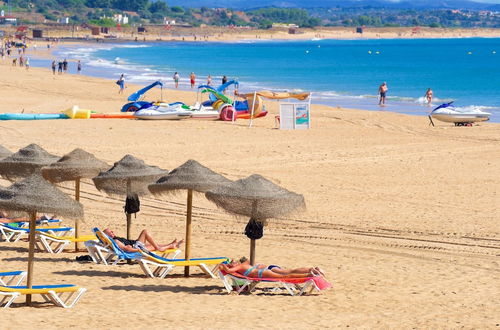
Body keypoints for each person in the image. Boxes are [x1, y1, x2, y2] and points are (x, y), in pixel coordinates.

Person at [219, 256, 325, 279]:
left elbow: (228, 270)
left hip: (263, 273)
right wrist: (226, 264)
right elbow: (245, 259)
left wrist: (223, 265)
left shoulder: (240, 266)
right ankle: (312, 270)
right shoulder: (245, 263)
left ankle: (311, 274)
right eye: (231, 262)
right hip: (267, 269)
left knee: (287, 275)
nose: (233, 263)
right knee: (289, 272)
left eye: (233, 262)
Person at [102, 228, 183, 253]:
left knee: (153, 244)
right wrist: (138, 250)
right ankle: (170, 246)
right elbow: (126, 248)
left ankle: (172, 245)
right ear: (107, 235)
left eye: (112, 231)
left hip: (136, 243)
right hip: (137, 247)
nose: (112, 233)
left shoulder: (114, 239)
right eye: (109, 233)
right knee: (145, 232)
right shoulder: (115, 241)